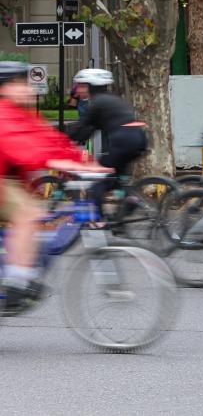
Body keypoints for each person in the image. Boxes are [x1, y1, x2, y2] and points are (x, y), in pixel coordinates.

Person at [0, 62, 109, 315]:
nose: (28, 88)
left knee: (35, 214)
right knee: (26, 212)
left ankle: (25, 267)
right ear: (5, 88)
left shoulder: (24, 113)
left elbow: (50, 140)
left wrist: (84, 162)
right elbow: (21, 148)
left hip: (11, 180)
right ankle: (17, 282)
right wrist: (55, 162)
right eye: (20, 83)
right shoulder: (3, 113)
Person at [67, 68, 149, 222]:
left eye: (82, 86)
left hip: (123, 142)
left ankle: (101, 221)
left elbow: (83, 126)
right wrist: (80, 139)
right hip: (137, 139)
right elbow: (91, 128)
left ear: (92, 86)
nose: (78, 89)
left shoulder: (97, 103)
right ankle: (126, 208)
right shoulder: (110, 100)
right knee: (115, 178)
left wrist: (64, 138)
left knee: (97, 179)